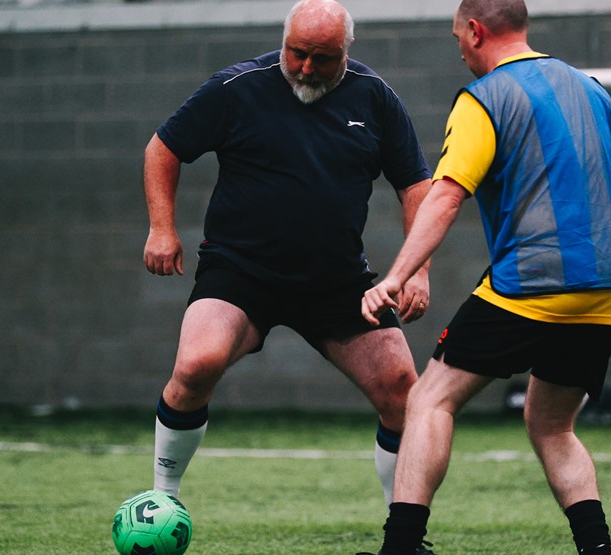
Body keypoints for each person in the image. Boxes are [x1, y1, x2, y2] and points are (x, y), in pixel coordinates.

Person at [357, 1, 611, 553]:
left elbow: (446, 195)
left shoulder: (484, 99)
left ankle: (401, 546)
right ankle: (597, 548)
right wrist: (605, 265)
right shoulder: (592, 91)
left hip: (528, 287)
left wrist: (394, 278)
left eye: (457, 40)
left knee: (429, 401)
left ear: (475, 31)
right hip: (605, 294)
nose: (460, 51)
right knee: (552, 426)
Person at [141, 0, 433, 510]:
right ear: (284, 40)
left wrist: (418, 271)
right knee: (195, 365)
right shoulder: (237, 87)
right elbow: (162, 148)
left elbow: (417, 188)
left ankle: (402, 530)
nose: (305, 69)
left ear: (347, 50)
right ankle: (162, 500)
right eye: (297, 53)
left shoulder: (375, 98)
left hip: (337, 280)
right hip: (240, 271)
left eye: (322, 58)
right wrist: (162, 229)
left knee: (402, 389)